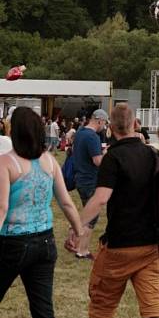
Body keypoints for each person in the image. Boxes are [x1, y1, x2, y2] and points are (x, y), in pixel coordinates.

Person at [66, 103, 159, 318]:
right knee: (155, 306)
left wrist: (76, 226)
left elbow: (101, 198)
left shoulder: (113, 157)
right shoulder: (153, 154)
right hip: (152, 244)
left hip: (119, 245)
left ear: (110, 128)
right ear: (135, 124)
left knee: (101, 309)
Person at [0, 107, 84, 318]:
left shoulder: (6, 163)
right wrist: (78, 231)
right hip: (45, 243)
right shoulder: (49, 161)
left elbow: (1, 207)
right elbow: (66, 202)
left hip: (12, 242)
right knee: (43, 313)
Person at [72, 108, 109, 259]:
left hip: (80, 177)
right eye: (104, 123)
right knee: (91, 216)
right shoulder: (92, 137)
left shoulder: (80, 133)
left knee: (86, 212)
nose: (104, 126)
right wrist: (106, 154)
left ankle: (77, 244)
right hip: (90, 180)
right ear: (99, 120)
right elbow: (97, 161)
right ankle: (82, 250)